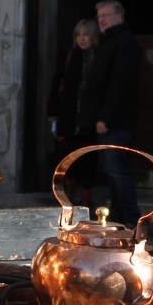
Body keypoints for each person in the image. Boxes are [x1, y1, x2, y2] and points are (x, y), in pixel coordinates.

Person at [80, 0, 141, 226]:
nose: (102, 21)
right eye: (99, 17)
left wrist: (106, 117)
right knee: (112, 171)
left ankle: (133, 219)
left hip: (115, 121)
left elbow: (120, 85)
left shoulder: (124, 43)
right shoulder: (109, 42)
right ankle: (118, 218)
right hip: (106, 120)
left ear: (119, 16)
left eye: (106, 16)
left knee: (117, 170)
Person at [48, 18, 101, 186]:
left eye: (86, 34)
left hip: (90, 117)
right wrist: (52, 113)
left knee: (88, 158)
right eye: (78, 35)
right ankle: (68, 197)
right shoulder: (70, 55)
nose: (82, 38)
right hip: (68, 115)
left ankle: (86, 197)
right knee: (67, 156)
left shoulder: (100, 56)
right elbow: (57, 83)